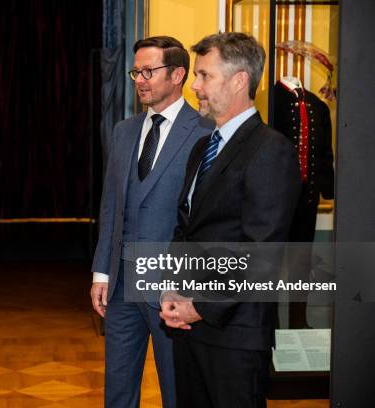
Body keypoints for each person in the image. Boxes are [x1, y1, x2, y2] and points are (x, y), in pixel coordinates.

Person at [159, 32, 301, 408]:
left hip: (234, 335)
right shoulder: (203, 148)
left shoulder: (271, 150)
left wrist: (201, 306)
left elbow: (260, 255)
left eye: (205, 76)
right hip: (189, 330)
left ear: (239, 80)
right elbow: (185, 229)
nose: (195, 86)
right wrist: (173, 290)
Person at [90, 36, 213, 407]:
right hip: (122, 284)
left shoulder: (205, 134)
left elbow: (205, 220)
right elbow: (110, 205)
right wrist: (101, 274)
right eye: (135, 72)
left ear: (177, 74)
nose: (139, 79)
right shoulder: (123, 131)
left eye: (149, 71)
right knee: (118, 389)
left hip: (172, 287)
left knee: (176, 389)